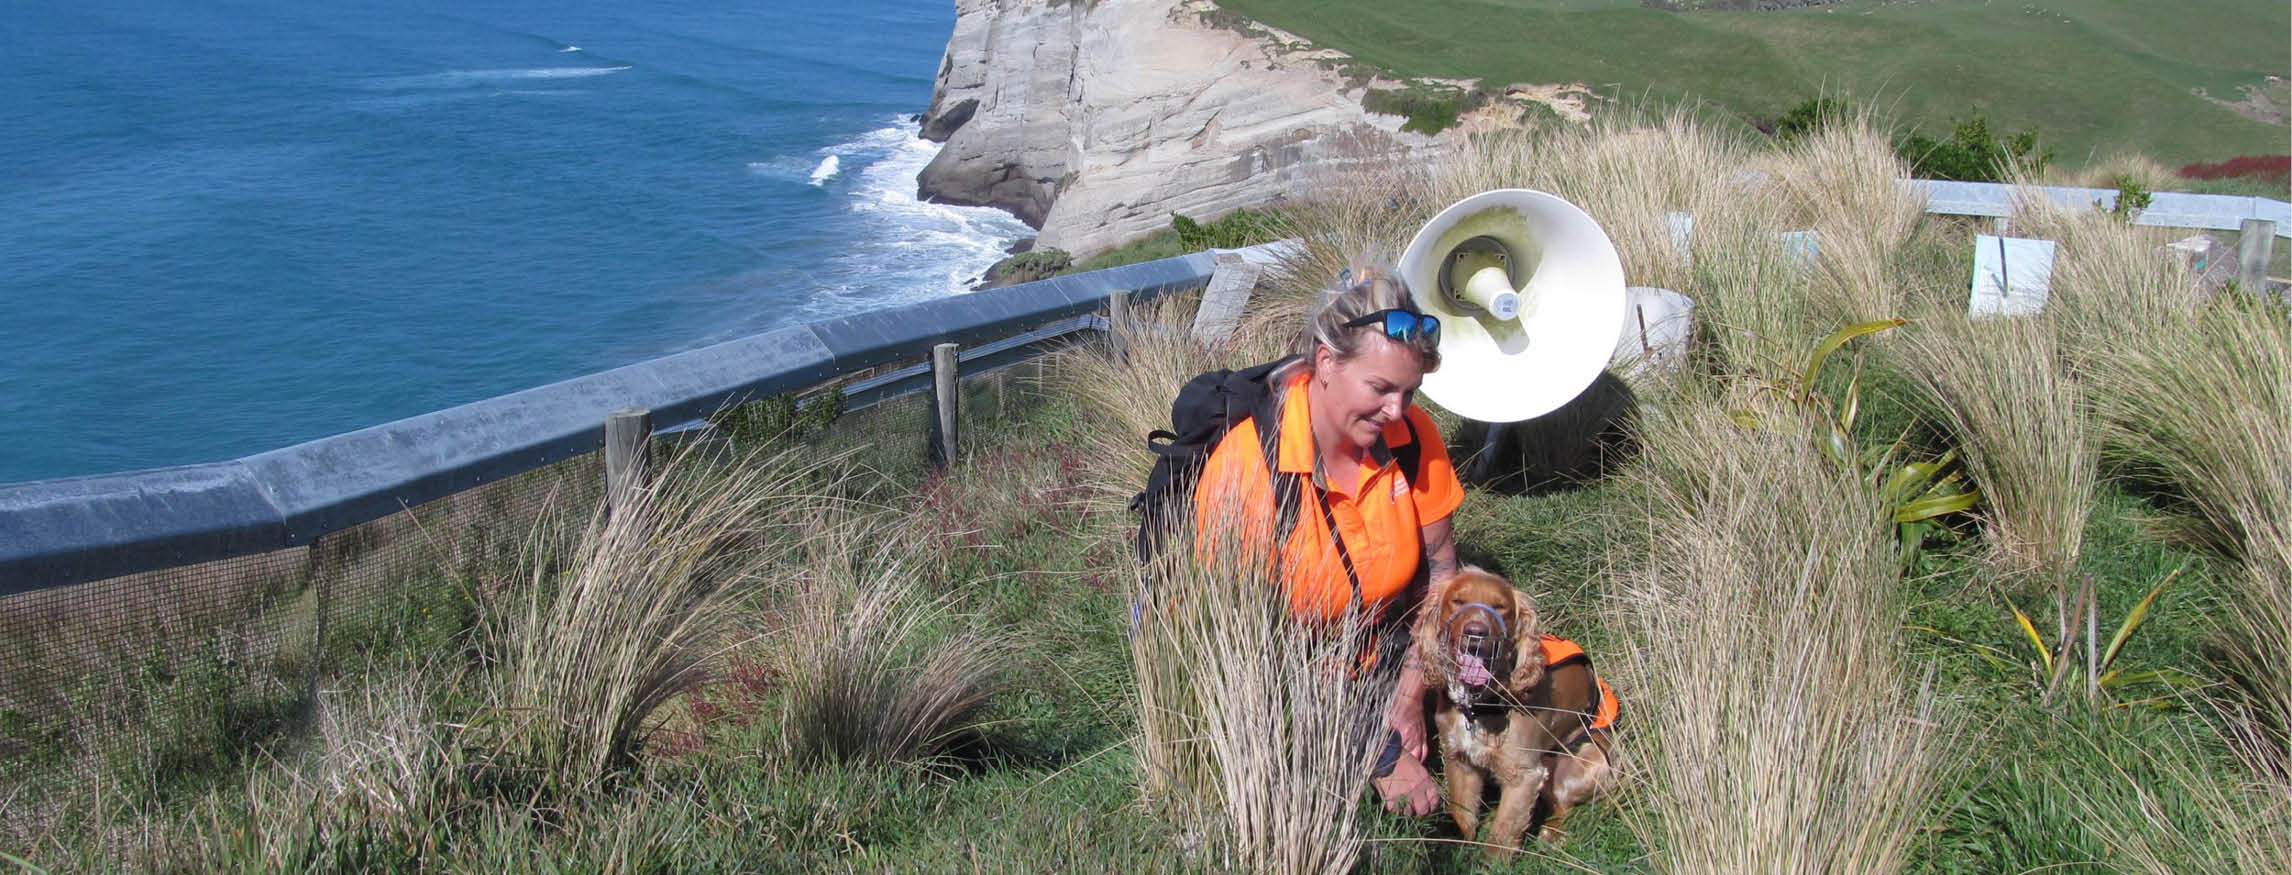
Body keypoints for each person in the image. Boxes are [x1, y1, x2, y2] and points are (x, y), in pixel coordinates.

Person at [1191, 265, 1462, 816]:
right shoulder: (1248, 470)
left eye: (1410, 392)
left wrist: (1410, 699)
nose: (1397, 412)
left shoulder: (1412, 437)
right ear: (1326, 363)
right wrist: (1377, 746)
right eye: (1381, 388)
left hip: (1378, 645)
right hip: (1283, 677)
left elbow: (1443, 576)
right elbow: (1238, 649)